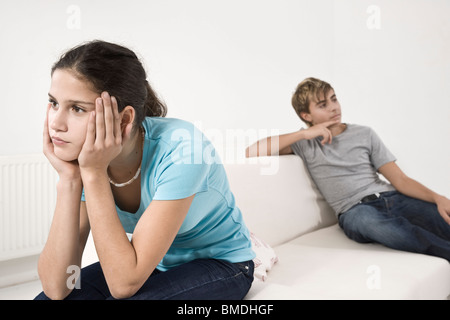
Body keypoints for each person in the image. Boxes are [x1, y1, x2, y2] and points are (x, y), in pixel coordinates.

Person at [35, 40, 255, 300]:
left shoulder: (184, 149)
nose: (56, 123)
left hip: (222, 263)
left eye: (77, 108)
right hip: (152, 263)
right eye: (54, 103)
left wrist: (93, 174)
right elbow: (57, 287)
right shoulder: (85, 159)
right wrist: (70, 180)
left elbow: (123, 285)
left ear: (124, 119)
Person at [246, 77, 450, 261]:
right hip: (355, 210)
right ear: (306, 115)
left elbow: (401, 180)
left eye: (334, 99)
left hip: (392, 197)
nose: (334, 108)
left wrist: (437, 198)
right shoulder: (305, 143)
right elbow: (252, 151)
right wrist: (303, 134)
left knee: (440, 218)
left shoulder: (364, 133)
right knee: (380, 226)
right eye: (323, 105)